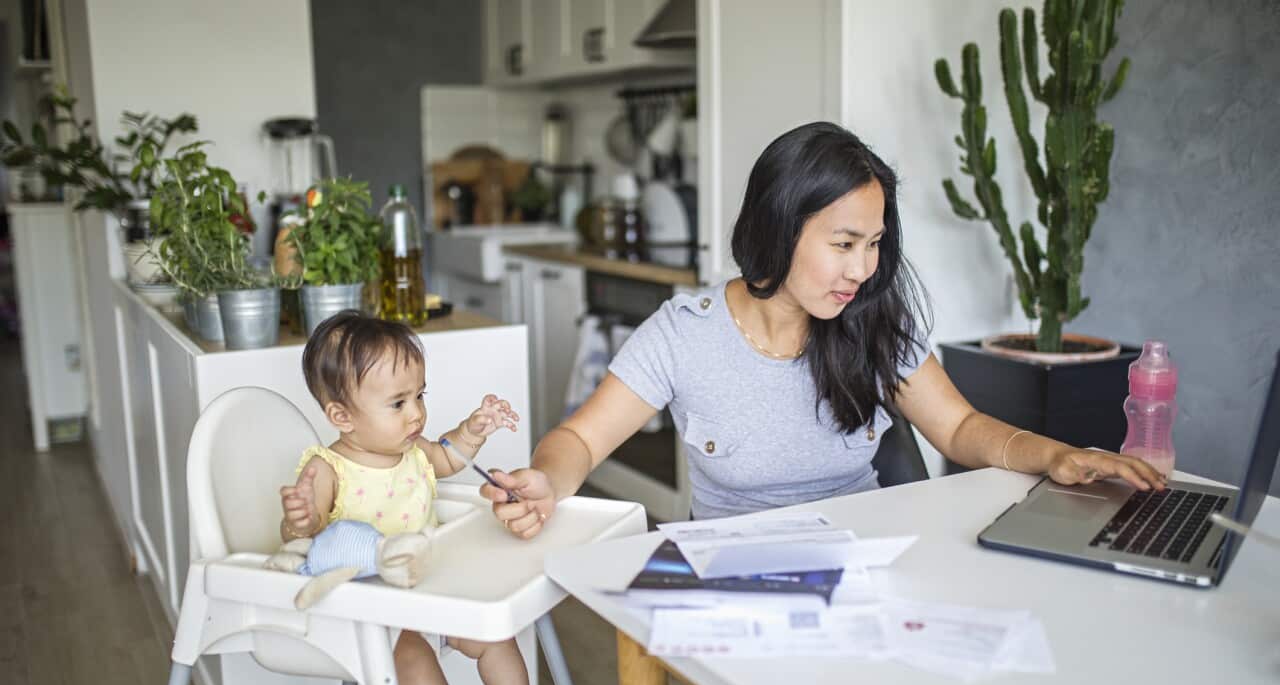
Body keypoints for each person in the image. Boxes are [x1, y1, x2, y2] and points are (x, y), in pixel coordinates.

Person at [480, 121, 1164, 537]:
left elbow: (958, 429)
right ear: (779, 227)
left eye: (873, 244)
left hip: (864, 563)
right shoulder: (684, 333)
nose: (863, 269)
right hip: (739, 575)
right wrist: (546, 477)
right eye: (843, 244)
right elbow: (579, 438)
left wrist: (1054, 456)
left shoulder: (869, 322)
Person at [278, 310, 529, 685]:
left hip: (430, 591)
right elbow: (305, 540)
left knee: (496, 636)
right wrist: (300, 519)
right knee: (413, 665)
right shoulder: (326, 469)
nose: (416, 413)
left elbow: (449, 457)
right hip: (370, 611)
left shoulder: (412, 451)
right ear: (342, 416)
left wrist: (476, 427)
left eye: (419, 396)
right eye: (398, 403)